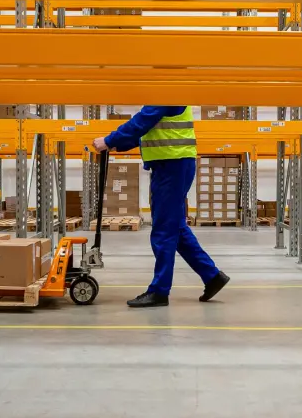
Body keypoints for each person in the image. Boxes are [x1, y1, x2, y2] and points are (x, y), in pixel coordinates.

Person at [93, 106, 230, 308]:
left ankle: (159, 291)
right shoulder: (164, 94)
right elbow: (146, 130)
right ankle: (212, 276)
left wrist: (109, 140)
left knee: (164, 229)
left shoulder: (166, 92)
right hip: (171, 163)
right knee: (176, 227)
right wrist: (116, 143)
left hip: (172, 164)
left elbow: (142, 121)